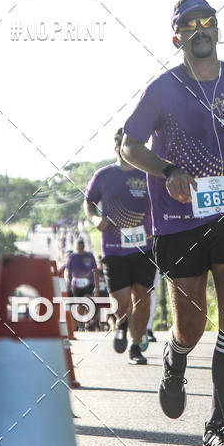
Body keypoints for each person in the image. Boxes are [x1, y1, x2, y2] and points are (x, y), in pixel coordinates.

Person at [121, 0, 224, 446]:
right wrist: (168, 172)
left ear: (217, 30)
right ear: (178, 37)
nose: (200, 28)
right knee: (192, 324)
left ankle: (217, 425)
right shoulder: (163, 89)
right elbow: (129, 146)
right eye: (190, 24)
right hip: (177, 221)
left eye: (207, 21)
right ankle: (176, 356)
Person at [84, 128, 155, 365]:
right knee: (121, 301)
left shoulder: (149, 174)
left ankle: (136, 347)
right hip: (114, 249)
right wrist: (95, 219)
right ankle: (121, 322)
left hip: (145, 247)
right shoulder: (104, 175)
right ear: (117, 149)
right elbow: (89, 202)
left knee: (142, 298)